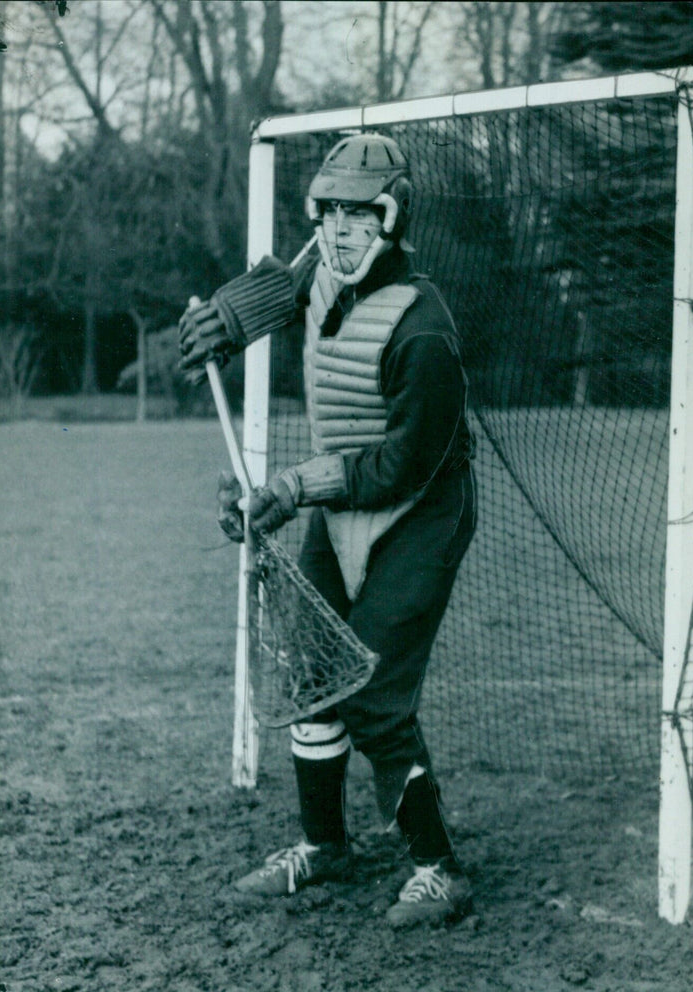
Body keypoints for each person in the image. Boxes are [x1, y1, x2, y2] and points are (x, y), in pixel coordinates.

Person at [178, 133, 477, 928]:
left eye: (358, 214)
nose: (340, 231)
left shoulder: (424, 329)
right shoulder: (326, 268)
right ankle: (325, 845)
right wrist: (224, 320)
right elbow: (281, 286)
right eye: (329, 213)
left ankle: (438, 867)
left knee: (374, 688)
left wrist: (291, 488)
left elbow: (404, 467)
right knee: (312, 674)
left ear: (391, 218)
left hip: (422, 514)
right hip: (343, 502)